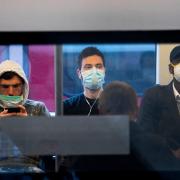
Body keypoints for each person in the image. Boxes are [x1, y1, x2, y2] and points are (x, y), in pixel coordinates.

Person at [0, 60, 51, 173]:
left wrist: (28, 126)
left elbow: (51, 149)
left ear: (23, 87)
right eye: (5, 86)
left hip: (31, 168)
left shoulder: (37, 109)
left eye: (16, 86)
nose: (11, 93)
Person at [138, 45, 180, 157]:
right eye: (179, 61)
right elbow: (144, 136)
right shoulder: (153, 96)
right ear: (171, 69)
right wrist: (171, 153)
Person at [63, 46, 106, 115]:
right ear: (79, 73)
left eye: (98, 66)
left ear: (104, 71)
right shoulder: (67, 107)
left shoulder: (115, 105)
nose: (94, 71)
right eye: (88, 67)